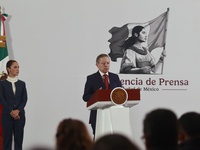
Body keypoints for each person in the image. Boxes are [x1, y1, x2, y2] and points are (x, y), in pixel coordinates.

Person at [82, 53, 122, 135]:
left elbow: (121, 91)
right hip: (97, 115)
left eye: (108, 63)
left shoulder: (115, 77)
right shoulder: (91, 78)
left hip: (113, 114)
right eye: (103, 63)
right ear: (97, 65)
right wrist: (96, 95)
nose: (106, 65)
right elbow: (85, 97)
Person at [0, 60, 28, 150]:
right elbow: (2, 99)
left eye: (18, 67)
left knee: (18, 141)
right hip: (7, 116)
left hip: (20, 116)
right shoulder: (2, 84)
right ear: (8, 69)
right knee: (7, 141)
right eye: (15, 67)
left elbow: (24, 99)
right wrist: (11, 111)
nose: (17, 69)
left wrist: (17, 111)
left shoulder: (22, 84)